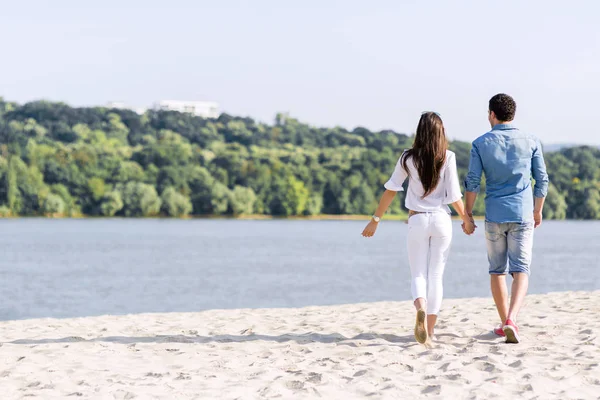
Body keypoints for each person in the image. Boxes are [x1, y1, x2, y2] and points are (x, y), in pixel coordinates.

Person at [362, 112, 474, 345]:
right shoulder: (448, 156)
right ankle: (430, 331)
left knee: (418, 274)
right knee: (436, 275)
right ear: (440, 132)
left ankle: (420, 307)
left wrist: (375, 219)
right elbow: (454, 195)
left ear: (419, 131)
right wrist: (466, 219)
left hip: (417, 220)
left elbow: (391, 189)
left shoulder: (407, 158)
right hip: (442, 220)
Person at [464, 93, 548, 344]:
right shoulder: (531, 140)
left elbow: (472, 182)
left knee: (497, 270)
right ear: (513, 115)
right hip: (522, 214)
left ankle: (505, 323)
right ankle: (512, 319)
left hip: (494, 215)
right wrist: (537, 210)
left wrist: (468, 213)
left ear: (491, 114)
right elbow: (542, 180)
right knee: (521, 269)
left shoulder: (480, 143)